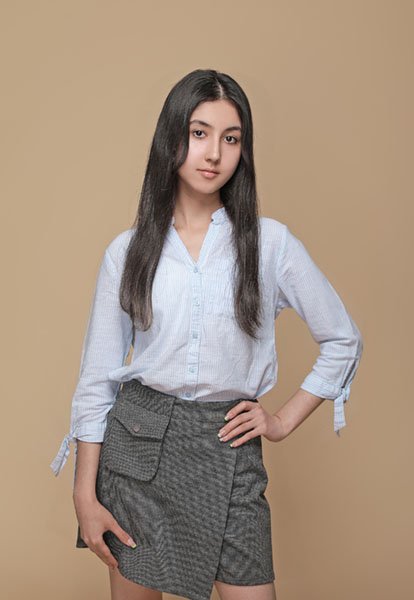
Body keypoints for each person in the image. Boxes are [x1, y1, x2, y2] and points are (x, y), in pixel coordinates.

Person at [50, 68, 363, 600]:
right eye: (199, 133)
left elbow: (342, 338)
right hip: (138, 452)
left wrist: (281, 421)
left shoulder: (270, 244)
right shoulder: (127, 252)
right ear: (171, 137)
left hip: (228, 449)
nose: (214, 153)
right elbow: (97, 379)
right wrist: (84, 494)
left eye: (231, 138)